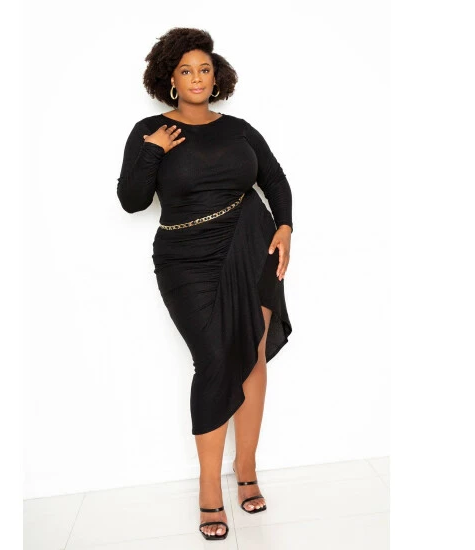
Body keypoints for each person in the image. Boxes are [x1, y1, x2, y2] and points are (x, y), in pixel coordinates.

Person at [116, 27, 293, 541]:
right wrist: (153, 150)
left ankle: (247, 469)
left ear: (217, 77)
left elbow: (274, 179)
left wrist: (285, 226)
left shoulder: (239, 129)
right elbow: (131, 200)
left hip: (251, 246)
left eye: (205, 69)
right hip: (184, 259)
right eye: (186, 70)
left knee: (252, 355)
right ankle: (209, 486)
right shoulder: (150, 130)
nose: (197, 78)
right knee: (215, 359)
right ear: (171, 79)